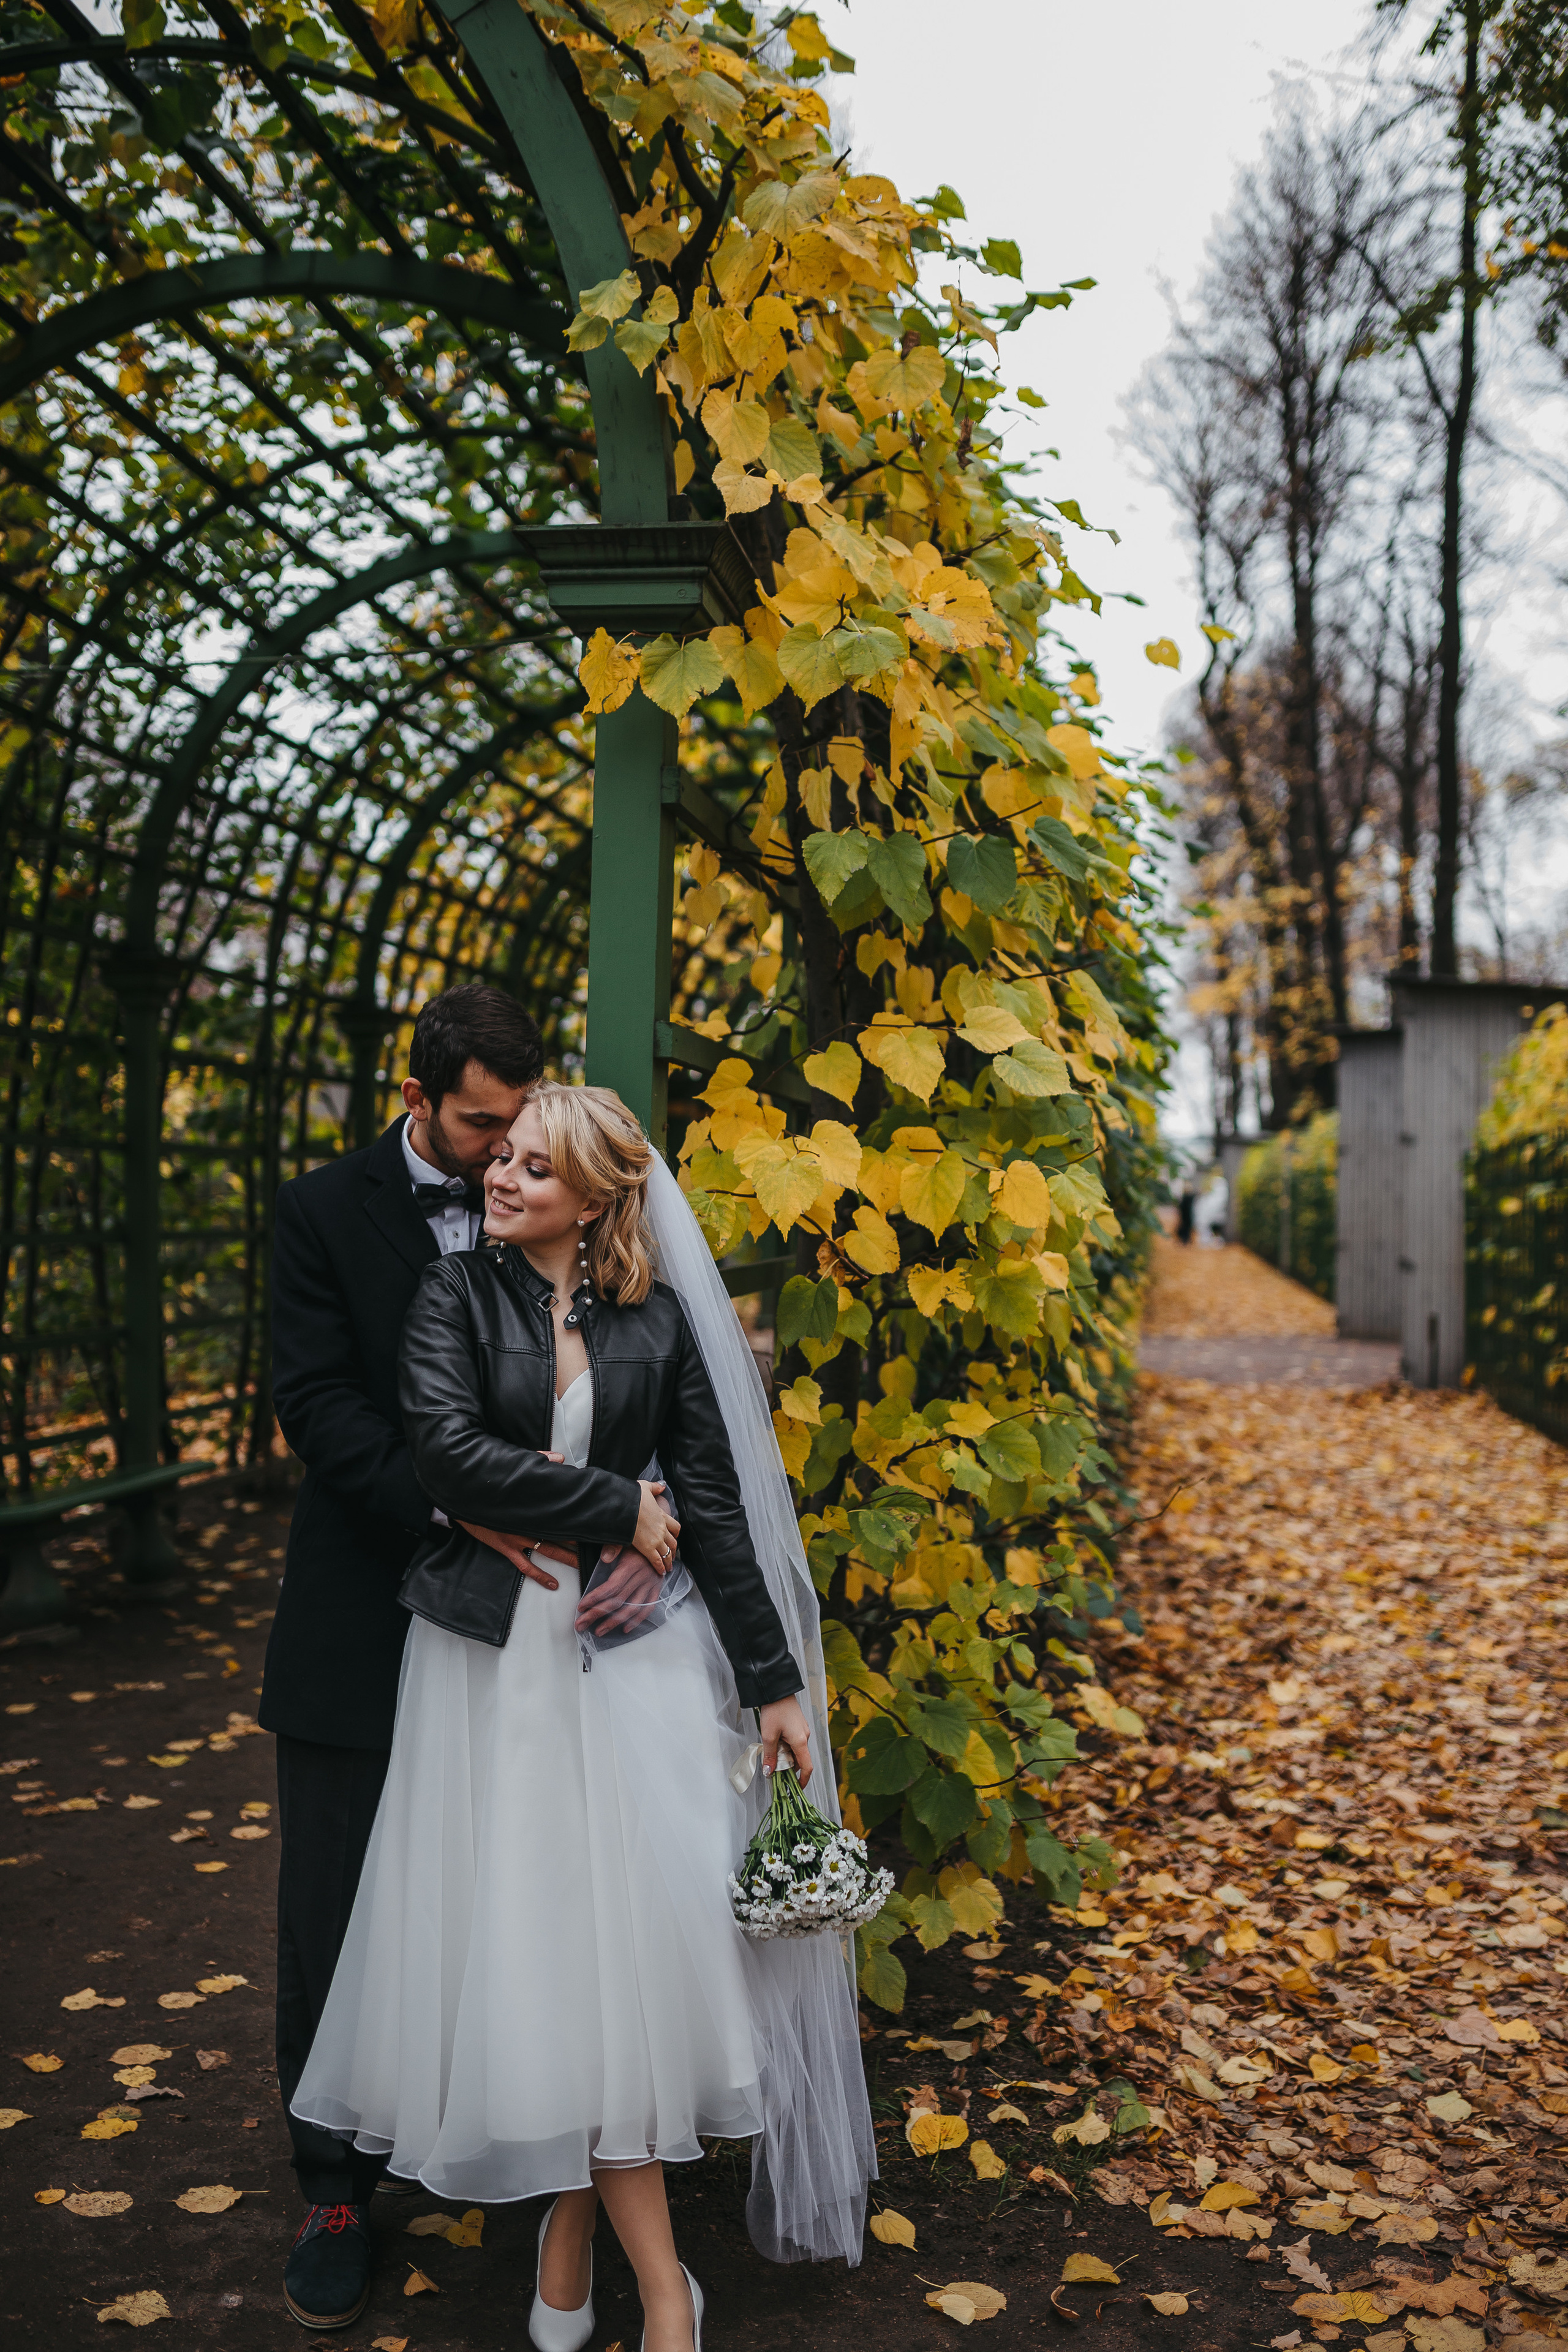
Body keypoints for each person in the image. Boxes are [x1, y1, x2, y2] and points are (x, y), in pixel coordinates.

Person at [290, 1084, 876, 2351]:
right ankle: (659, 2285)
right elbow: (445, 1452)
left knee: (619, 1962)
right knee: (543, 1949)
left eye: (534, 1168)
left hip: (631, 1671)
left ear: (598, 1196)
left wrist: (774, 1682)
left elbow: (714, 1501)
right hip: (491, 1673)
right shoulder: (453, 1295)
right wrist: (620, 1507)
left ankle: (581, 2241)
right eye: (500, 1157)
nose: (501, 1178)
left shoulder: (658, 1320)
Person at [263, 983, 565, 2331]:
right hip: (362, 1605)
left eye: (518, 1125)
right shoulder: (320, 1212)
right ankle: (334, 2192)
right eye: (480, 1127)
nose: (502, 1154)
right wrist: (458, 1504)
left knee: (508, 1882)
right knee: (330, 1906)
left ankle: (504, 2140)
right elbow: (317, 1405)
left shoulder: (545, 1195)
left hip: (525, 1615)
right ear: (416, 1098)